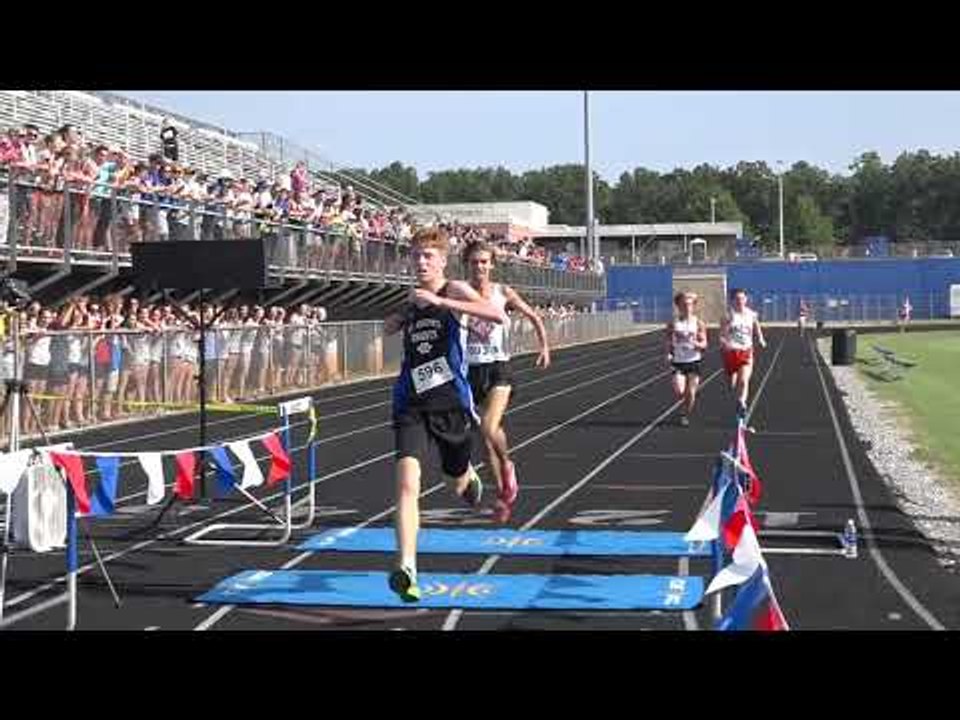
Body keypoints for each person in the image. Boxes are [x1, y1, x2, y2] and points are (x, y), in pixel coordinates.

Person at [385, 227, 507, 602]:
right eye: (416, 256)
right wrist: (403, 315)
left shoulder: (452, 289)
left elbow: (494, 314)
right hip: (410, 403)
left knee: (457, 480)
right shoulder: (413, 296)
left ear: (441, 260)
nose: (421, 262)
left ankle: (468, 476)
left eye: (428, 256)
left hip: (450, 402)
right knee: (407, 485)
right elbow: (388, 328)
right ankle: (407, 566)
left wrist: (443, 305)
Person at [463, 238, 550, 523]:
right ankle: (502, 495)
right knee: (484, 444)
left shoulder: (503, 292)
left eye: (485, 262)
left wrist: (544, 347)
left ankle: (508, 465)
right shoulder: (459, 293)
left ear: (492, 265)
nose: (480, 267)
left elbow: (533, 316)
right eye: (475, 262)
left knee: (489, 426)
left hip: (499, 368)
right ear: (468, 264)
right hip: (470, 370)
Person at [720, 288, 766, 420]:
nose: (740, 301)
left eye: (742, 298)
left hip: (746, 351)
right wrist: (724, 343)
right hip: (730, 352)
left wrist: (761, 338)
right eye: (737, 299)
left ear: (746, 299)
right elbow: (722, 335)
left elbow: (756, 325)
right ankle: (738, 396)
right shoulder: (728, 316)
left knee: (744, 380)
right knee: (732, 383)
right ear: (732, 301)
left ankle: (742, 403)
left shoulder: (751, 314)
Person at [666, 291, 707, 427]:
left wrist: (697, 344)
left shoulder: (699, 323)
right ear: (678, 306)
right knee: (680, 391)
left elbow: (705, 344)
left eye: (689, 304)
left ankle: (685, 415)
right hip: (678, 362)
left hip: (694, 361)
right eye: (684, 304)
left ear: (693, 306)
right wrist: (669, 353)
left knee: (691, 393)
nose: (687, 307)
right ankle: (684, 408)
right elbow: (668, 340)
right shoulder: (673, 323)